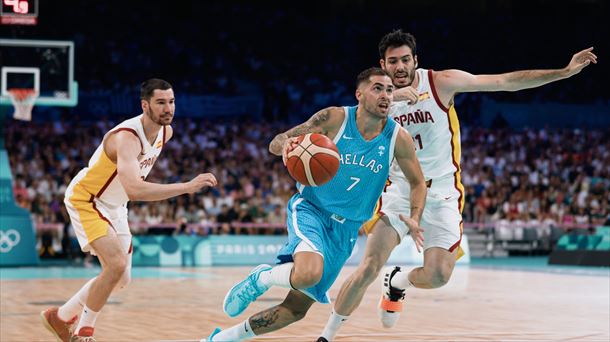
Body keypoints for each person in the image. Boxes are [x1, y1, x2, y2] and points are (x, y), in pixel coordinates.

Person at [318, 30, 597, 341]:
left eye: (405, 60)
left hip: (442, 194)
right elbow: (348, 126)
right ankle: (326, 335)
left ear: (415, 61)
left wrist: (564, 72)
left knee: (438, 276)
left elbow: (505, 82)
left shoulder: (441, 83)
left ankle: (398, 284)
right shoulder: (377, 98)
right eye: (393, 61)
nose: (400, 67)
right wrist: (391, 97)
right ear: (382, 63)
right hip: (399, 192)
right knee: (368, 266)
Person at [202, 67, 427, 341]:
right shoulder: (334, 118)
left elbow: (417, 182)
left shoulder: (397, 137)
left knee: (295, 310)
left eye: (390, 89)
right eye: (377, 88)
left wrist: (415, 216)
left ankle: (221, 339)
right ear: (359, 94)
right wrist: (288, 146)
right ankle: (261, 278)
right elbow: (277, 142)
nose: (385, 94)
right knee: (308, 273)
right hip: (312, 211)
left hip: (346, 231)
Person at [40, 79, 218, 342]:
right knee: (115, 264)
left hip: (116, 205)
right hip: (88, 199)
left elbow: (131, 188)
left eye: (171, 102)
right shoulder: (127, 138)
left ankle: (62, 316)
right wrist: (187, 186)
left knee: (121, 278)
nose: (168, 108)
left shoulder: (166, 132)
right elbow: (135, 189)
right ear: (144, 105)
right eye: (160, 103)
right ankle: (83, 332)